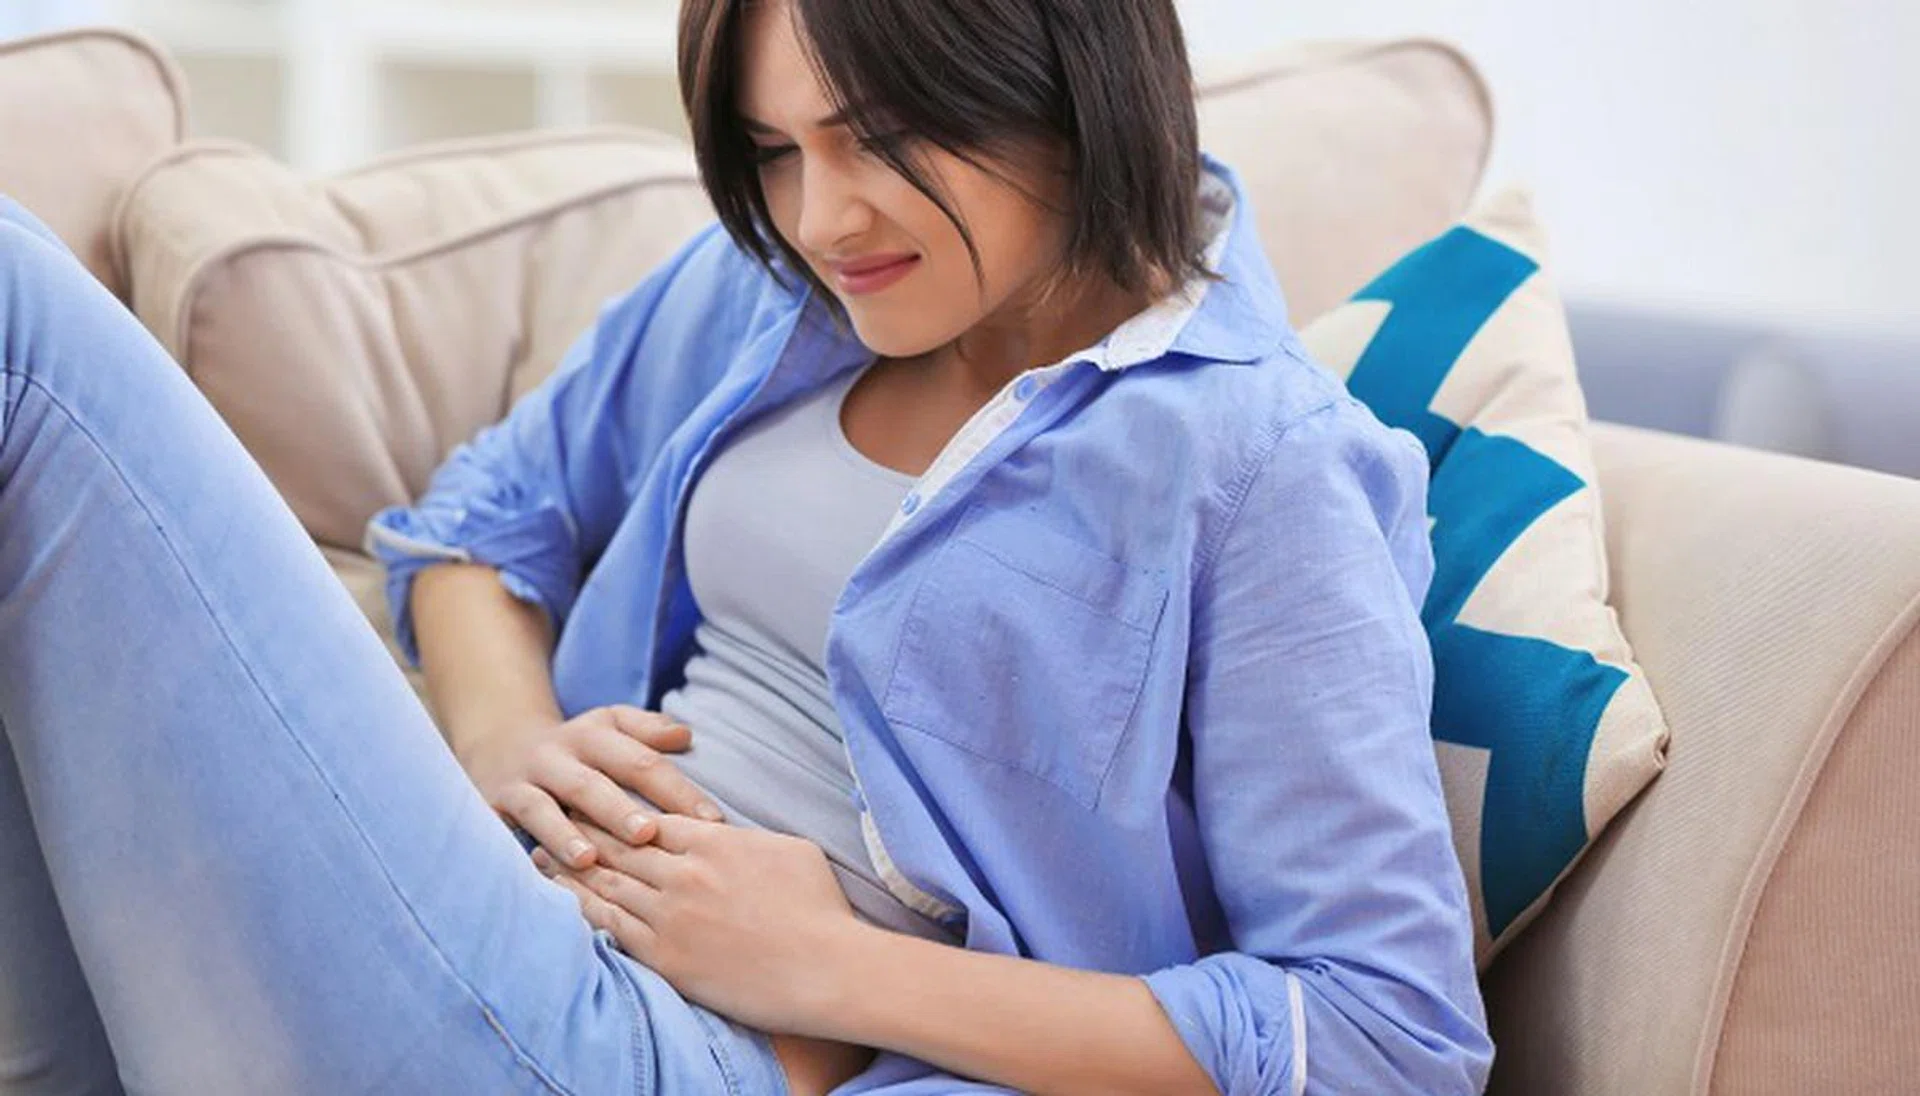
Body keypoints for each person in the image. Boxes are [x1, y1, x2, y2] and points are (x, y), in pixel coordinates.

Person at [0, 0, 1493, 1092]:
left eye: (881, 141)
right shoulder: (776, 295)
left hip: (670, 1049)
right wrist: (503, 737)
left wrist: (836, 972)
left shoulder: (1253, 465)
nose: (823, 212)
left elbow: (1380, 1032)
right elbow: (475, 525)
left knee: (18, 322)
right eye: (776, 150)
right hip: (490, 902)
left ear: (1069, 81)